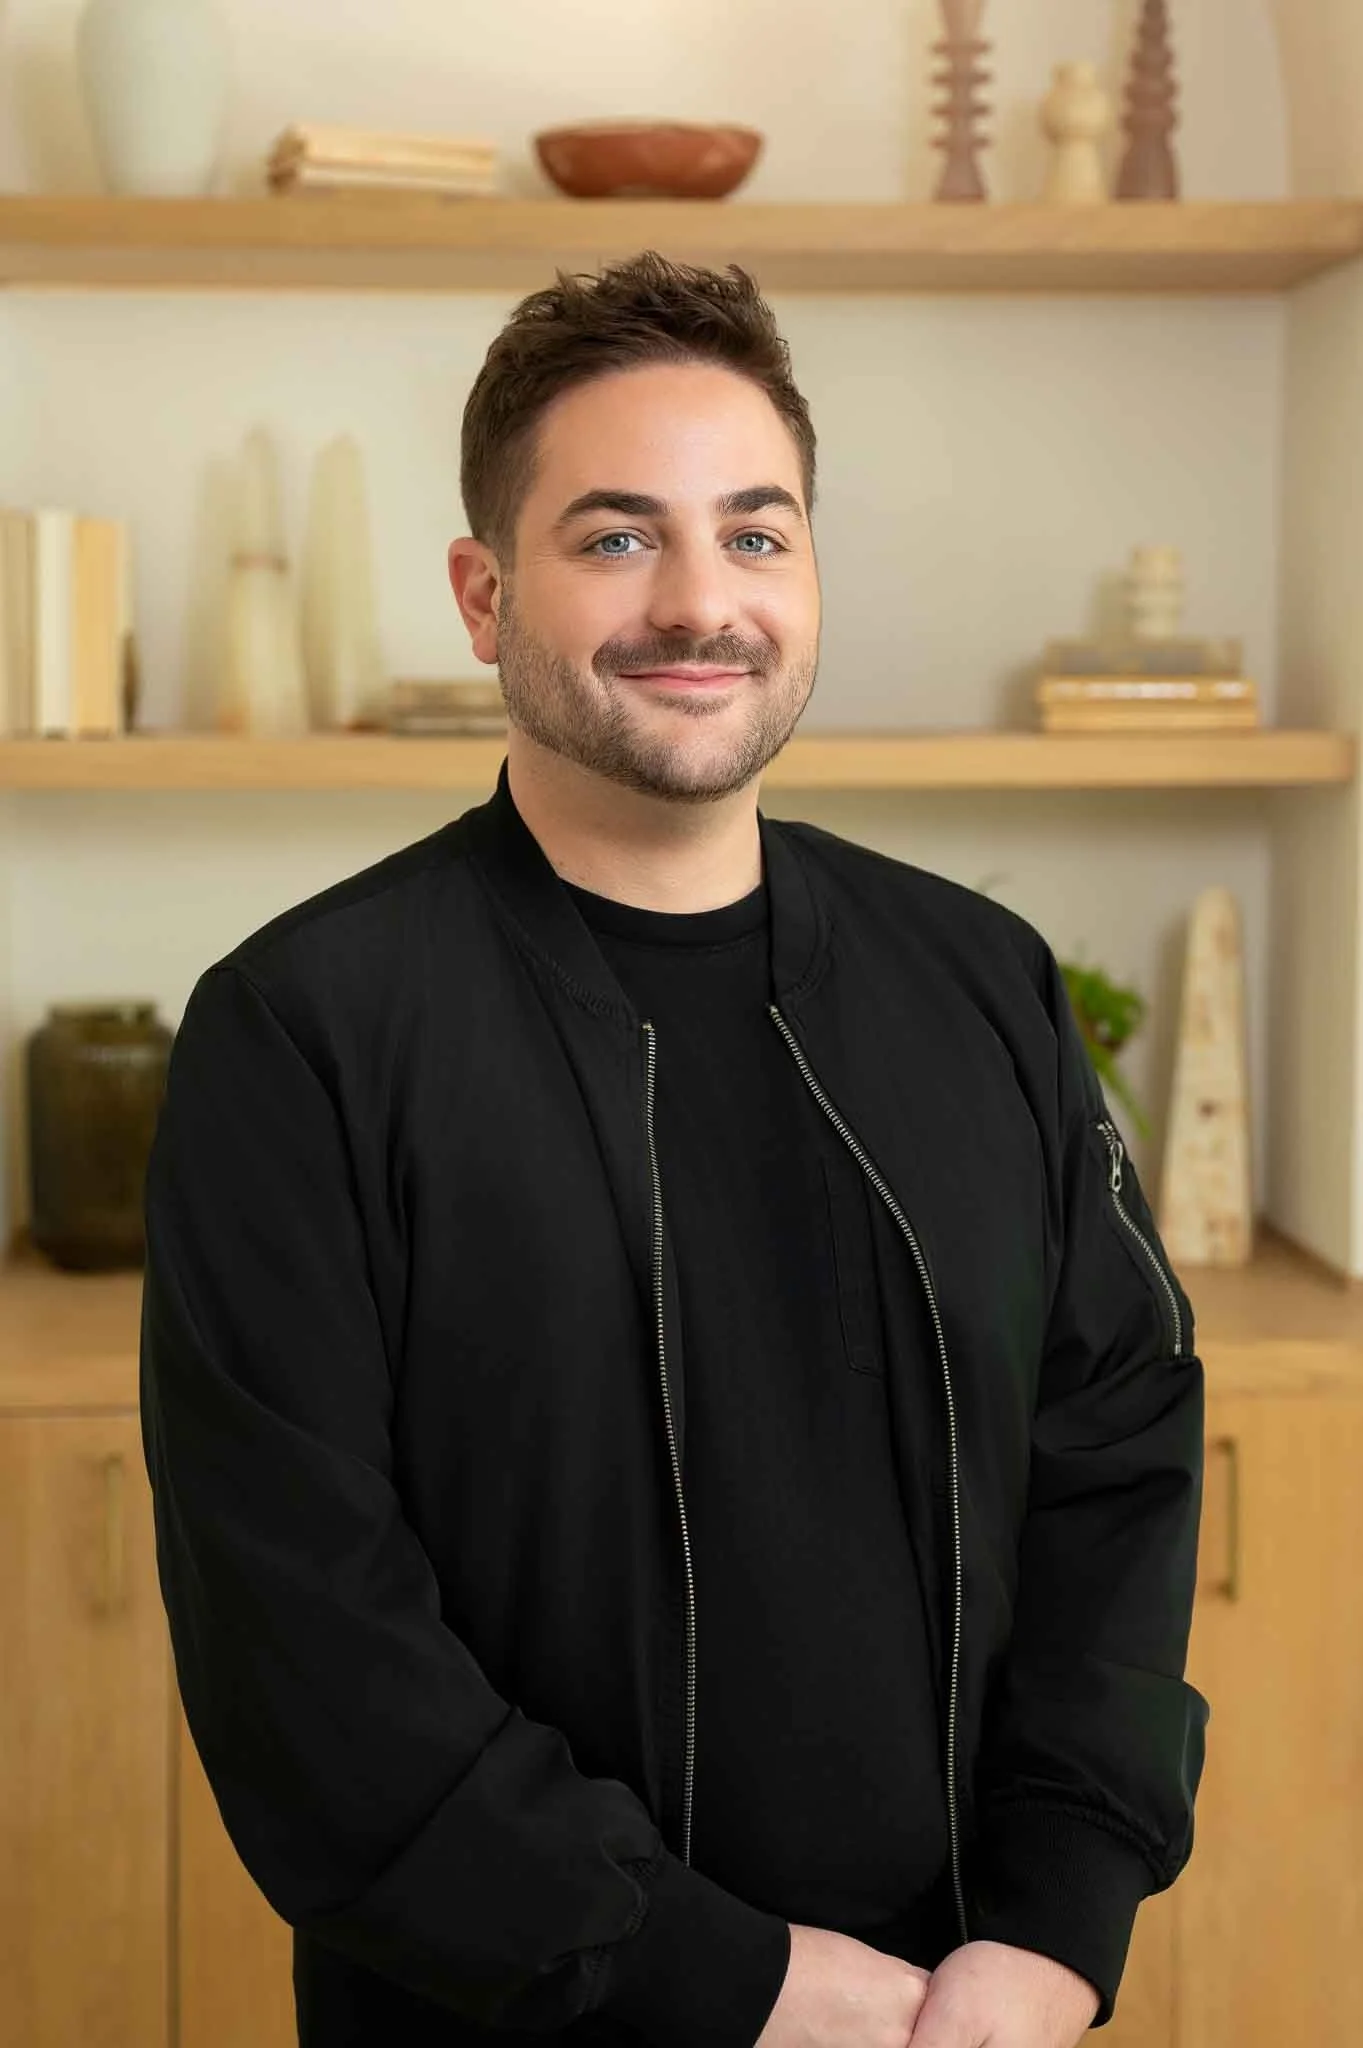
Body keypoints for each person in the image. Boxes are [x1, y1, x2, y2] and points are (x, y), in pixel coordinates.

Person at [139, 251, 1209, 2048]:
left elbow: (1113, 1452)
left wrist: (1051, 1934)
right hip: (516, 2013)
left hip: (967, 2010)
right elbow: (303, 1647)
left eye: (758, 534)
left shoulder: (979, 981)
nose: (702, 601)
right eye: (617, 537)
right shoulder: (303, 1033)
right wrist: (742, 1985)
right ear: (484, 596)